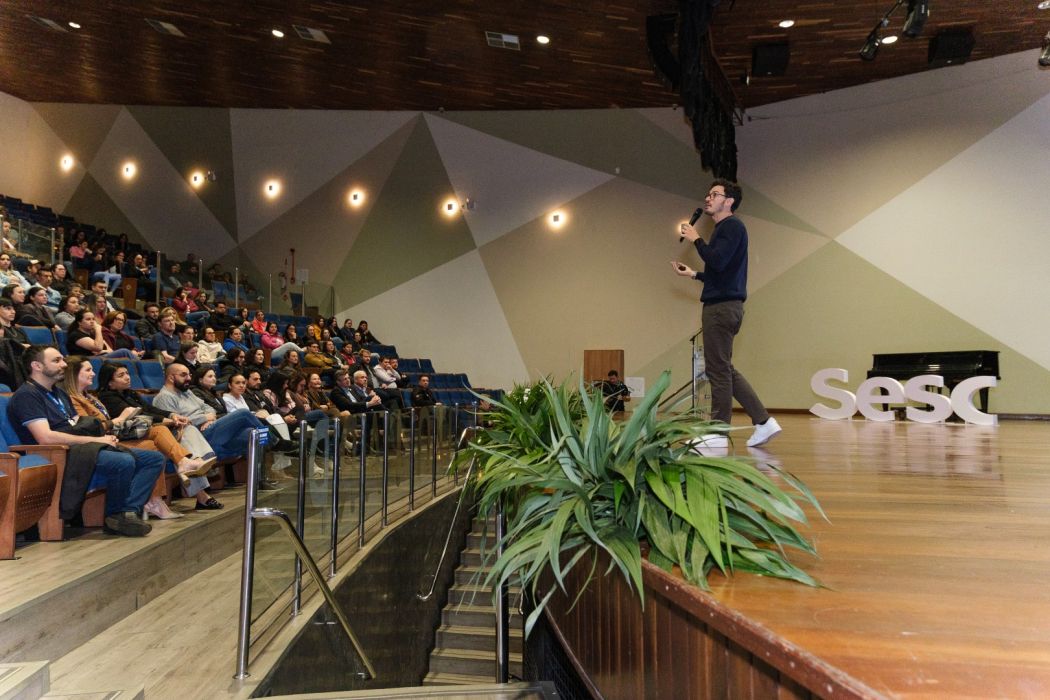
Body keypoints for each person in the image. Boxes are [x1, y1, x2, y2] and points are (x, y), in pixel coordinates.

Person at [7, 346, 164, 537]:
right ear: (37, 366)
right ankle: (116, 515)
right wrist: (95, 439)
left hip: (82, 448)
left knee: (153, 459)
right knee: (123, 461)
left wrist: (102, 438)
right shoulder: (27, 395)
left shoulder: (59, 393)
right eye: (56, 361)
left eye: (62, 359)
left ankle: (127, 511)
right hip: (57, 453)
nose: (64, 364)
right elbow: (45, 437)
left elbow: (77, 424)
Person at [673, 179, 781, 448]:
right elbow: (721, 272)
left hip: (720, 309)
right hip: (725, 305)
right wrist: (694, 274)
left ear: (729, 201)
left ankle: (717, 433)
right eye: (708, 194)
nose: (708, 198)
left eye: (715, 194)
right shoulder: (727, 229)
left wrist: (697, 239)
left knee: (718, 370)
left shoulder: (731, 226)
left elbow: (718, 260)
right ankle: (764, 422)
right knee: (724, 369)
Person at [63, 358, 218, 518]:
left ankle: (182, 465)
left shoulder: (91, 397)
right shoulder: (78, 399)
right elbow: (88, 428)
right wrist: (118, 420)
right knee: (156, 447)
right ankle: (154, 499)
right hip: (103, 444)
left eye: (127, 373)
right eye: (88, 370)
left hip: (113, 438)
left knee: (162, 431)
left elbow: (148, 409)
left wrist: (171, 416)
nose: (93, 373)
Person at [151, 363, 272, 464]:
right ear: (171, 377)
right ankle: (274, 442)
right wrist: (204, 418)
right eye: (183, 375)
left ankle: (259, 479)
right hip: (197, 436)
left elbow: (209, 408)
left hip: (210, 428)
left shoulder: (186, 392)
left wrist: (209, 419)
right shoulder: (164, 397)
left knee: (253, 434)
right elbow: (178, 425)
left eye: (189, 375)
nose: (188, 378)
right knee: (243, 413)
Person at [66, 309, 138, 359]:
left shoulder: (92, 335)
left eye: (93, 319)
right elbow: (98, 347)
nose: (92, 321)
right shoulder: (76, 335)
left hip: (98, 358)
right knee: (124, 352)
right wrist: (98, 329)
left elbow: (110, 351)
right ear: (79, 322)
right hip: (87, 360)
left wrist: (103, 351)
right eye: (88, 319)